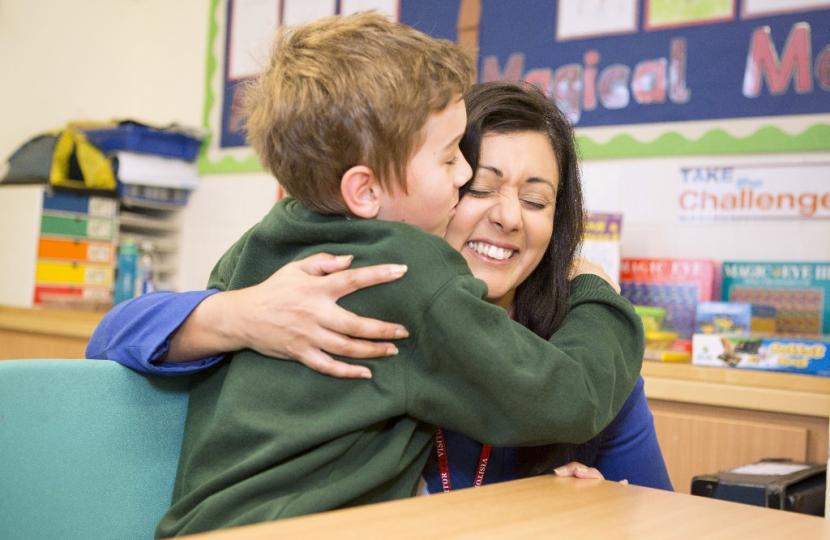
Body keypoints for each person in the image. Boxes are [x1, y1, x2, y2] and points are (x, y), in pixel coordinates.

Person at [92, 14, 644, 536]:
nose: (466, 172)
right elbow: (571, 398)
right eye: (454, 161)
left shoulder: (263, 242)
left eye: (534, 198)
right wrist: (597, 294)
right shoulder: (411, 273)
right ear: (366, 190)